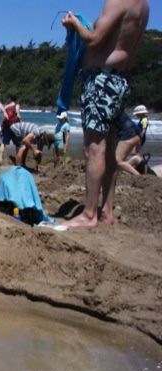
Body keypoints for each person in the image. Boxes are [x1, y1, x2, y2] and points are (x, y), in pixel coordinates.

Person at [61, 0, 149, 228]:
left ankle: (89, 214)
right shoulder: (144, 6)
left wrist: (74, 25)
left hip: (102, 81)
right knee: (109, 150)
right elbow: (116, 41)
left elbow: (95, 40)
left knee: (94, 148)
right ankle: (106, 211)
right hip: (119, 80)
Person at [0, 95, 22, 163]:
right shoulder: (17, 105)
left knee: (3, 143)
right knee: (18, 144)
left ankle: (0, 158)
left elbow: (2, 112)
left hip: (6, 126)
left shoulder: (7, 106)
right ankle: (18, 157)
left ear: (10, 99)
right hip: (15, 127)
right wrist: (21, 122)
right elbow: (18, 115)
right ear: (16, 99)